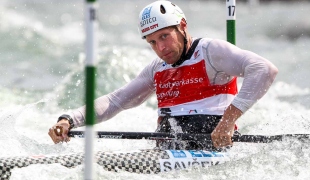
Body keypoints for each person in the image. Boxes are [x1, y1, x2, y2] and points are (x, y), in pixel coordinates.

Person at [48, 1, 278, 150]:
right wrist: (69, 119)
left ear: (183, 26)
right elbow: (115, 101)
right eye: (152, 42)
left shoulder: (211, 51)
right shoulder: (157, 68)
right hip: (167, 151)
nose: (161, 48)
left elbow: (264, 69)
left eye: (165, 36)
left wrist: (228, 122)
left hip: (212, 149)